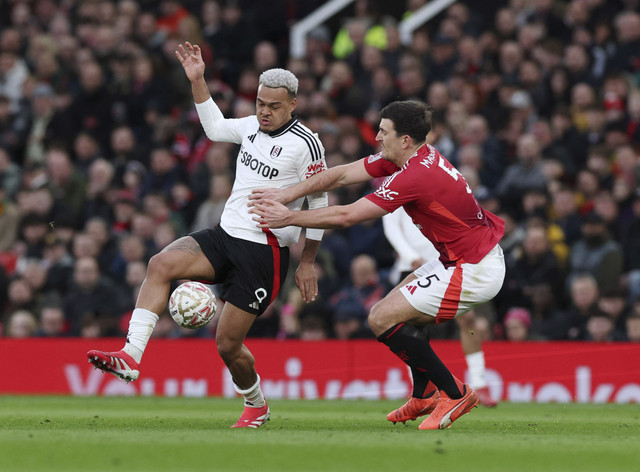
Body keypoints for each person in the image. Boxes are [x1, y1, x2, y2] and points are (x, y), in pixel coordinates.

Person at [87, 42, 328, 429]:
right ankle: (131, 356)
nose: (264, 112)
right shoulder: (250, 126)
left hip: (264, 252)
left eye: (274, 106)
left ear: (293, 104)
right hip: (225, 235)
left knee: (228, 344)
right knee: (160, 263)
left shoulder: (306, 145)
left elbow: (319, 205)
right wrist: (198, 80)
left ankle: (257, 405)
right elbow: (215, 127)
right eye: (260, 103)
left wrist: (308, 262)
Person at [249, 100, 505, 430]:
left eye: (383, 132)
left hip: (475, 267)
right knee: (398, 308)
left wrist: (290, 217)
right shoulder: (409, 159)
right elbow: (340, 174)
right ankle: (424, 393)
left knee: (382, 317)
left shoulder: (414, 175)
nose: (377, 138)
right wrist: (284, 194)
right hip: (462, 259)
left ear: (405, 140)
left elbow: (347, 215)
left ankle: (455, 393)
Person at [382, 207, 498, 407]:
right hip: (411, 267)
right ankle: (420, 391)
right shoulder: (395, 186)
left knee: (468, 321)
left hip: (445, 264)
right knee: (412, 330)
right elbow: (391, 228)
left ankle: (479, 382)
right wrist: (410, 257)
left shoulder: (436, 185)